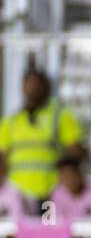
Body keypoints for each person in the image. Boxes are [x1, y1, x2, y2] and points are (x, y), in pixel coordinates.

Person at [0, 70, 86, 204]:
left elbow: (76, 153)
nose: (32, 88)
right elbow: (3, 159)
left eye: (36, 84)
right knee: (21, 225)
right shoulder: (11, 121)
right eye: (28, 84)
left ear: (46, 88)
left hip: (51, 193)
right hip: (17, 195)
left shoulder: (60, 117)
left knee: (50, 224)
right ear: (22, 88)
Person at [48, 156, 91, 221]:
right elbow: (57, 221)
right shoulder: (57, 193)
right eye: (64, 175)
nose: (69, 180)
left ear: (80, 174)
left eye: (71, 175)